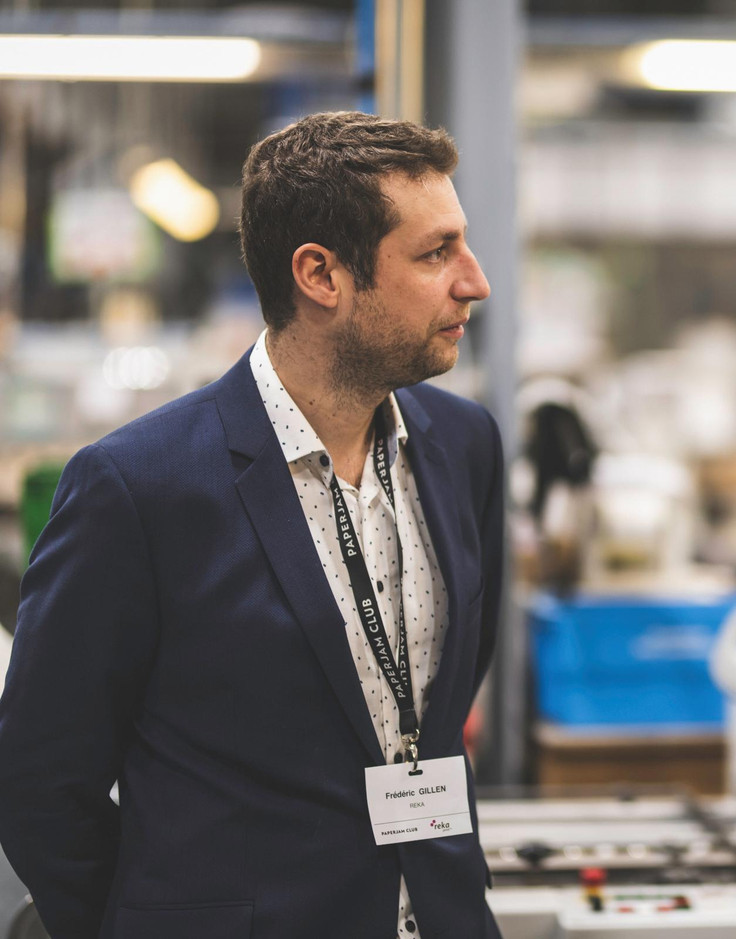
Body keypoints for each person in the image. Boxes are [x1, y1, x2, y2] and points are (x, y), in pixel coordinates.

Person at [0, 112, 504, 939]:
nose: (474, 281)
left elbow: (440, 704)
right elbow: (40, 780)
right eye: (434, 252)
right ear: (321, 275)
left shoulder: (463, 446)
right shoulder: (141, 487)